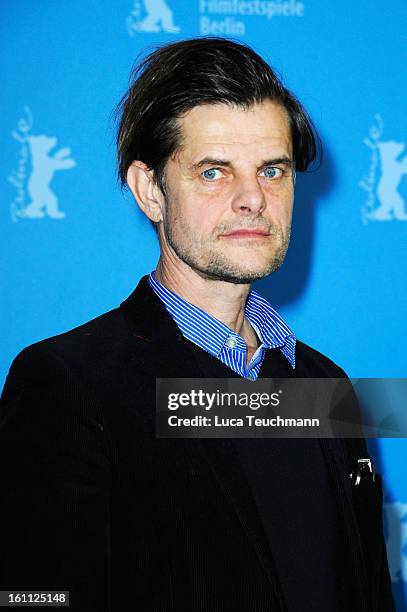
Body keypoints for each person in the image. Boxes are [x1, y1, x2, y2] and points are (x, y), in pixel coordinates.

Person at [0, 37, 395, 611]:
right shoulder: (68, 385)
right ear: (150, 191)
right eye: (213, 172)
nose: (252, 199)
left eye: (272, 170)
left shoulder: (325, 385)